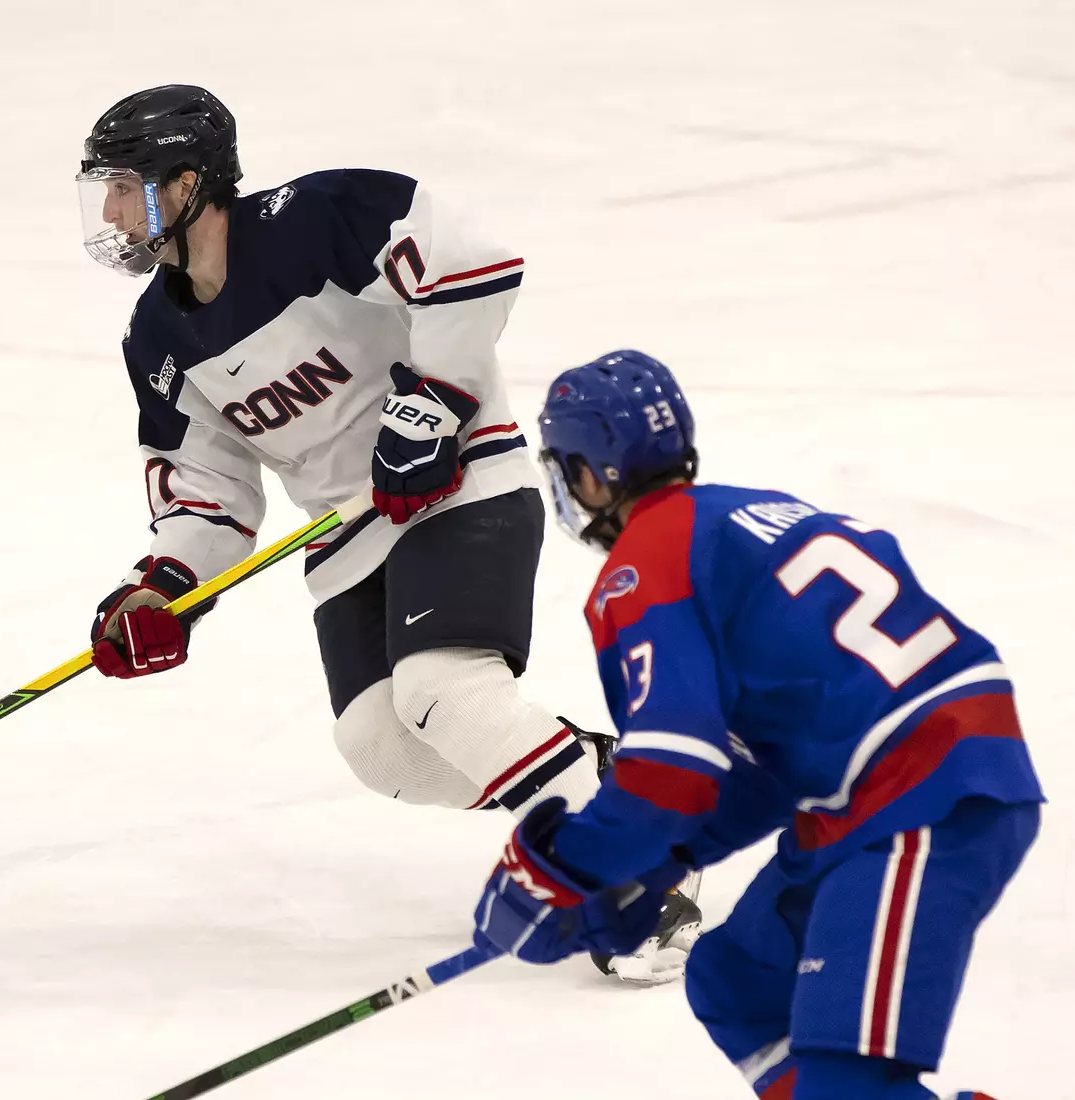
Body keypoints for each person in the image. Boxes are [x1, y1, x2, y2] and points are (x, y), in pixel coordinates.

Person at [74, 85, 691, 983]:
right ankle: (617, 779)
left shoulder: (316, 219)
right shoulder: (158, 337)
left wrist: (434, 404)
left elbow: (473, 262)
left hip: (464, 483)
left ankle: (642, 886)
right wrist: (164, 590)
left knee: (445, 691)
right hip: (349, 535)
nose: (111, 212)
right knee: (386, 750)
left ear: (190, 179)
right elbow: (207, 492)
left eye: (126, 187)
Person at [471, 350, 1043, 1099]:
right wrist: (659, 860)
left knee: (846, 1081)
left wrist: (562, 869)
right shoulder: (748, 514)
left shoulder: (643, 566)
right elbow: (770, 758)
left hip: (919, 791)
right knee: (736, 980)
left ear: (595, 472)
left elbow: (673, 764)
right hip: (893, 776)